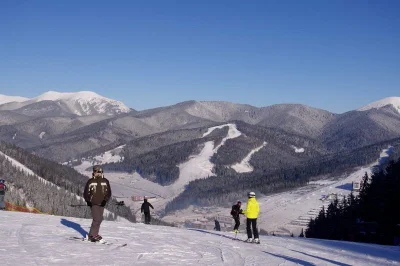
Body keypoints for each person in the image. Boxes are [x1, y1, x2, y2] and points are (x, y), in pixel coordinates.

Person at [84, 165, 112, 242]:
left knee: (99, 220)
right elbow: (86, 193)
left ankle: (94, 234)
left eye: (99, 171)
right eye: (96, 171)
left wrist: (105, 200)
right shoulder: (90, 181)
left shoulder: (105, 181)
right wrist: (88, 201)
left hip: (102, 203)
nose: (98, 173)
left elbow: (108, 193)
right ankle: (92, 235)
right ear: (94, 172)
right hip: (93, 203)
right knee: (97, 219)